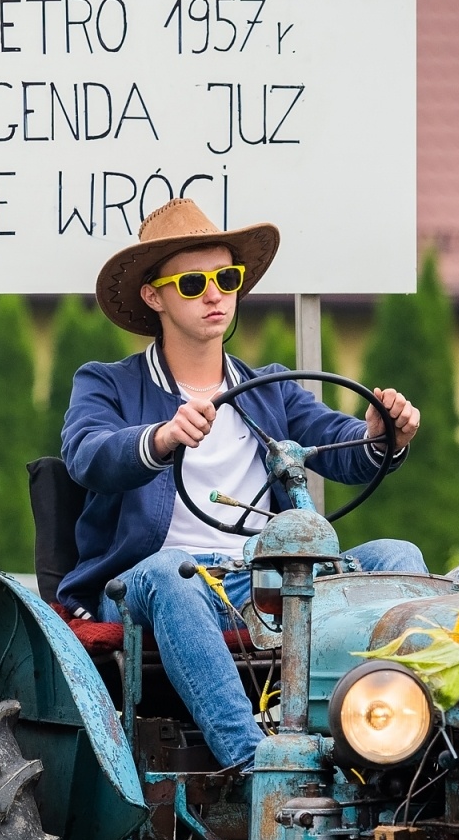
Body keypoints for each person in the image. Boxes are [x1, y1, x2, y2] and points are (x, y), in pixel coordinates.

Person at [58, 198, 427, 769]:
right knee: (169, 572)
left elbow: (343, 447)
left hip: (267, 581)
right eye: (193, 282)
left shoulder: (268, 387)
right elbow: (87, 455)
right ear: (153, 296)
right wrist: (161, 438)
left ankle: (377, 746)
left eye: (226, 279)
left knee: (398, 557)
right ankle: (258, 767)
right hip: (164, 587)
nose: (214, 294)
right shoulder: (107, 384)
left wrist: (382, 435)